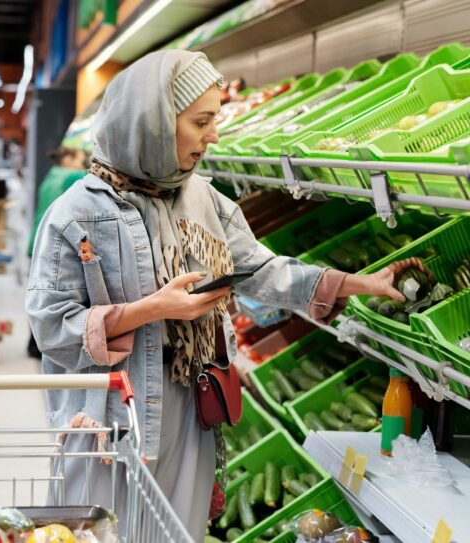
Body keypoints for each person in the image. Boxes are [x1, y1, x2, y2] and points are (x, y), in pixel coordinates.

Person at [26, 50, 423, 540]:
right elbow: (50, 325)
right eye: (201, 121)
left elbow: (259, 268)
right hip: (113, 418)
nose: (214, 135)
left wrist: (360, 282)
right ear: (150, 123)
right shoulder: (75, 214)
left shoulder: (204, 199)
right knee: (97, 532)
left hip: (191, 408)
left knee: (176, 532)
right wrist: (153, 310)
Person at [26, 146, 88, 358]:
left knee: (39, 295)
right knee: (52, 299)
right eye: (82, 159)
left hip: (37, 239)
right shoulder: (71, 176)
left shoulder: (51, 175)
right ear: (68, 159)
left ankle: (33, 343)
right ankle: (40, 346)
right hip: (52, 243)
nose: (84, 164)